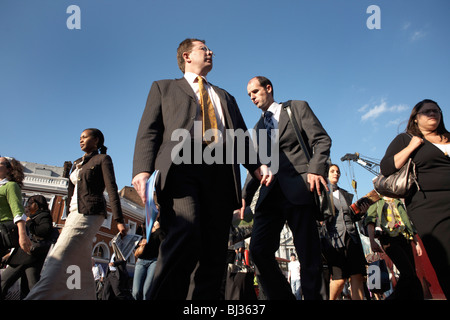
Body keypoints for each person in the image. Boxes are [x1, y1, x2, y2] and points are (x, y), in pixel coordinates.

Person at [132, 38, 272, 300]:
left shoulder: (225, 96)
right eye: (203, 49)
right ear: (186, 56)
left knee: (213, 250)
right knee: (184, 233)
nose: (210, 52)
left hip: (219, 171)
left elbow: (240, 136)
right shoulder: (164, 88)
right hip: (180, 168)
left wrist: (256, 166)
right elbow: (149, 130)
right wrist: (142, 169)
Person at [242, 76, 331, 300]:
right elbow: (255, 168)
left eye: (255, 91)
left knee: (308, 255)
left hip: (299, 188)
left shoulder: (296, 108)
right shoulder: (257, 128)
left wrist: (315, 168)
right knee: (259, 251)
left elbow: (321, 140)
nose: (252, 97)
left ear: (268, 88)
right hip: (270, 195)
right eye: (249, 95)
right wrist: (243, 197)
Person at [25, 128, 127, 300]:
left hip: (90, 212)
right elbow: (71, 195)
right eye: (79, 137)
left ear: (96, 140)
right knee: (81, 264)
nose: (80, 140)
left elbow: (112, 189)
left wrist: (119, 220)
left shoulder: (103, 159)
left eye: (85, 137)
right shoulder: (77, 162)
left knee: (57, 257)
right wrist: (67, 215)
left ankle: (37, 296)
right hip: (74, 213)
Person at [379, 99, 450, 299]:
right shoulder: (406, 139)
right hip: (429, 207)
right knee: (444, 259)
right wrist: (412, 146)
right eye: (426, 111)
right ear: (415, 119)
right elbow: (386, 168)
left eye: (436, 110)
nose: (432, 113)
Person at [322, 164, 368, 300]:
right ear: (327, 174)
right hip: (334, 240)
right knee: (339, 279)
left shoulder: (345, 194)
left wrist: (361, 212)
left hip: (351, 238)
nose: (336, 173)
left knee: (357, 275)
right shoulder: (322, 193)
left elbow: (351, 216)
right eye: (332, 171)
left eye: (338, 171)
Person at [365, 196, 424, 299]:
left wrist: (416, 242)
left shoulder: (397, 201)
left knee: (412, 274)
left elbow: (407, 223)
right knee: (408, 273)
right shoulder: (377, 201)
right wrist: (372, 241)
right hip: (388, 240)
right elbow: (370, 221)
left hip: (404, 238)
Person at [1, 195, 54, 299]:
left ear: (37, 205)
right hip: (31, 256)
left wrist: (29, 222)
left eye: (30, 203)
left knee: (4, 280)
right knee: (31, 287)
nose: (28, 206)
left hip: (26, 255)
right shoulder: (36, 216)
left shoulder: (43, 216)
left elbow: (43, 230)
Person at [0, 157, 32, 298]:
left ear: (8, 169)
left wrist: (22, 235)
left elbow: (18, 211)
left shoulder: (10, 186)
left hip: (2, 231)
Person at [132, 220, 164, 300]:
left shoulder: (161, 226)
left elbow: (164, 242)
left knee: (147, 291)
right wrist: (139, 243)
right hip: (141, 261)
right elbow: (135, 241)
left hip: (154, 261)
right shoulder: (143, 226)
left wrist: (158, 229)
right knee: (136, 291)